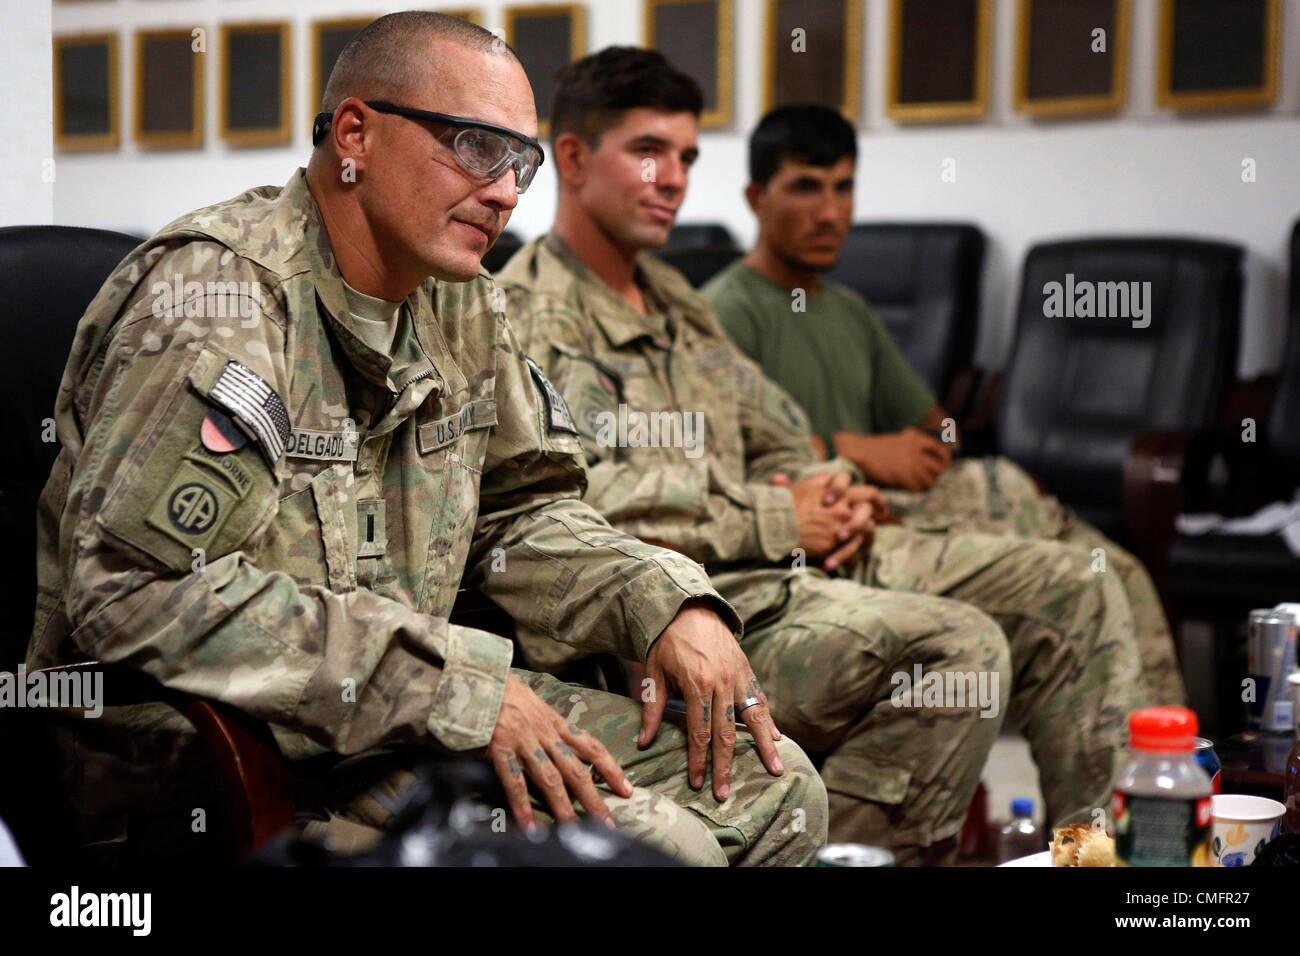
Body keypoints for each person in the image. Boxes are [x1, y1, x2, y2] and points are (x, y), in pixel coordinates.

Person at [27, 13, 826, 867]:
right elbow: (132, 594)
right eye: (476, 147)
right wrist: (456, 687)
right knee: (657, 846)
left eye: (520, 161)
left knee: (779, 789)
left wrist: (662, 597)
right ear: (356, 135)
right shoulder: (217, 300)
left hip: (404, 723)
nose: (507, 192)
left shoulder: (460, 300)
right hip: (223, 759)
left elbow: (523, 512)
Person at [498, 46, 1145, 840]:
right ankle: (846, 859)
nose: (673, 178)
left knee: (1074, 586)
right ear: (572, 157)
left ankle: (1108, 863)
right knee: (957, 654)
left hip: (798, 558)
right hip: (696, 612)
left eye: (686, 157)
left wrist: (824, 490)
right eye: (647, 153)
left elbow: (772, 427)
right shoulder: (530, 315)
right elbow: (579, 509)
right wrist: (777, 517)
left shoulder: (673, 298)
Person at [702, 104, 1185, 709]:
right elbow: (721, 467)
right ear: (756, 198)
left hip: (922, 501)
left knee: (1124, 574)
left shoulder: (848, 309)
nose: (830, 212)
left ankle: (1176, 763)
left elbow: (937, 425)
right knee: (1083, 581)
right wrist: (855, 449)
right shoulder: (721, 313)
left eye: (843, 188)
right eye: (805, 188)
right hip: (835, 524)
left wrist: (931, 447)